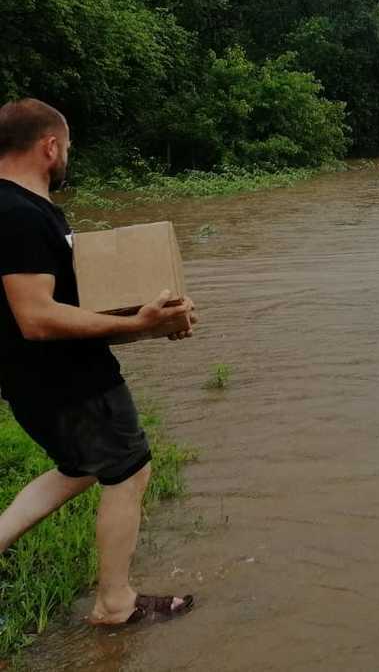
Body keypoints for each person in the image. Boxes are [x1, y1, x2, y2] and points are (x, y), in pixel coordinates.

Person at [0, 98, 198, 627]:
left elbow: (71, 304)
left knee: (80, 468)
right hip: (67, 380)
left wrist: (151, 318)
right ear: (49, 146)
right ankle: (115, 603)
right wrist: (139, 325)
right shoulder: (16, 214)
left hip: (38, 377)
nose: (67, 156)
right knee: (127, 471)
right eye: (66, 147)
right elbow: (37, 317)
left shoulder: (27, 210)